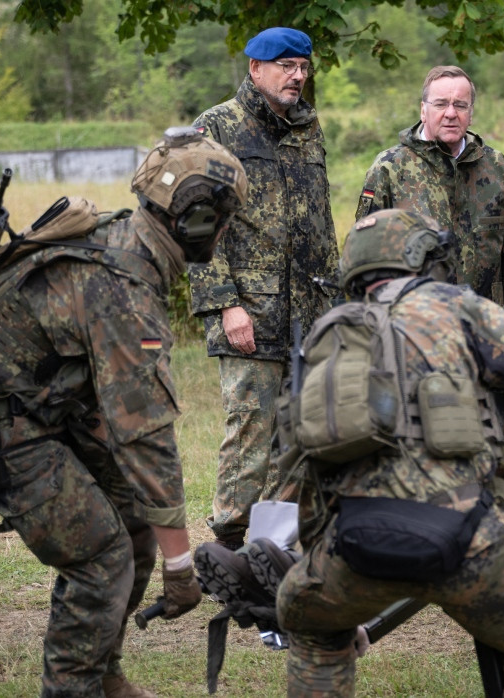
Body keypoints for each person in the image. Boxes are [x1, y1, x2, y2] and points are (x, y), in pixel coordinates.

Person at [0, 128, 246, 697]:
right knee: (101, 558)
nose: (228, 230)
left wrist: (160, 537)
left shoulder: (125, 238)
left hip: (25, 406)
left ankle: (103, 675)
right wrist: (180, 566)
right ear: (199, 222)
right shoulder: (124, 291)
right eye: (225, 217)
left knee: (134, 523)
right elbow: (144, 438)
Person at [275, 209, 504, 696]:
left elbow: (311, 465)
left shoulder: (328, 333)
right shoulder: (458, 306)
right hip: (471, 544)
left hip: (355, 547)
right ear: (423, 258)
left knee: (315, 635)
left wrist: (321, 572)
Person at [190, 26, 338, 551]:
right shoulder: (217, 127)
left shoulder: (308, 127)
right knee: (251, 430)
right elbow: (196, 225)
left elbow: (320, 223)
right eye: (286, 66)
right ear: (255, 68)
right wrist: (225, 305)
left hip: (311, 312)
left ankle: (273, 549)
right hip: (251, 308)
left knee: (300, 436)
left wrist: (335, 305)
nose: (297, 76)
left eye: (303, 67)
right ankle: (227, 545)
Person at [355, 65, 504, 322]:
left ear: (471, 114)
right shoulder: (390, 168)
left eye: (460, 105)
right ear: (423, 110)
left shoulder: (494, 165)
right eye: (440, 104)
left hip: (485, 325)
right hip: (415, 330)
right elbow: (364, 259)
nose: (451, 113)